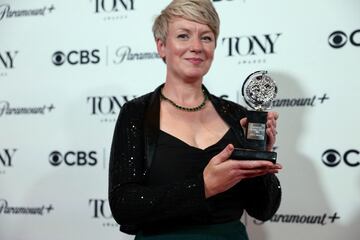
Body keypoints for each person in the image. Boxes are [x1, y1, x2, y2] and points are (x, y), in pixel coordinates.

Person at [108, 0, 282, 239]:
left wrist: (260, 158)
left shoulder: (237, 116)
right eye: (183, 36)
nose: (196, 46)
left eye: (206, 37)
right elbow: (123, 206)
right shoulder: (136, 113)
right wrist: (203, 187)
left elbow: (263, 210)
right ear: (161, 46)